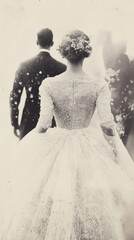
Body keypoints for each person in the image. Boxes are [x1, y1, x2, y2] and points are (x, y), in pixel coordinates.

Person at [1, 30, 134, 240]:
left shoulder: (50, 84)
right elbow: (107, 124)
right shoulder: (98, 84)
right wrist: (115, 147)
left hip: (59, 145)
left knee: (54, 200)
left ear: (63, 53)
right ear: (85, 54)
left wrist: (31, 143)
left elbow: (44, 124)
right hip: (89, 147)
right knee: (89, 200)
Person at [10, 28, 67, 140]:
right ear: (52, 43)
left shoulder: (24, 65)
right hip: (52, 123)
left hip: (28, 120)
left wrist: (15, 122)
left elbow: (15, 96)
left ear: (37, 42)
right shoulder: (61, 68)